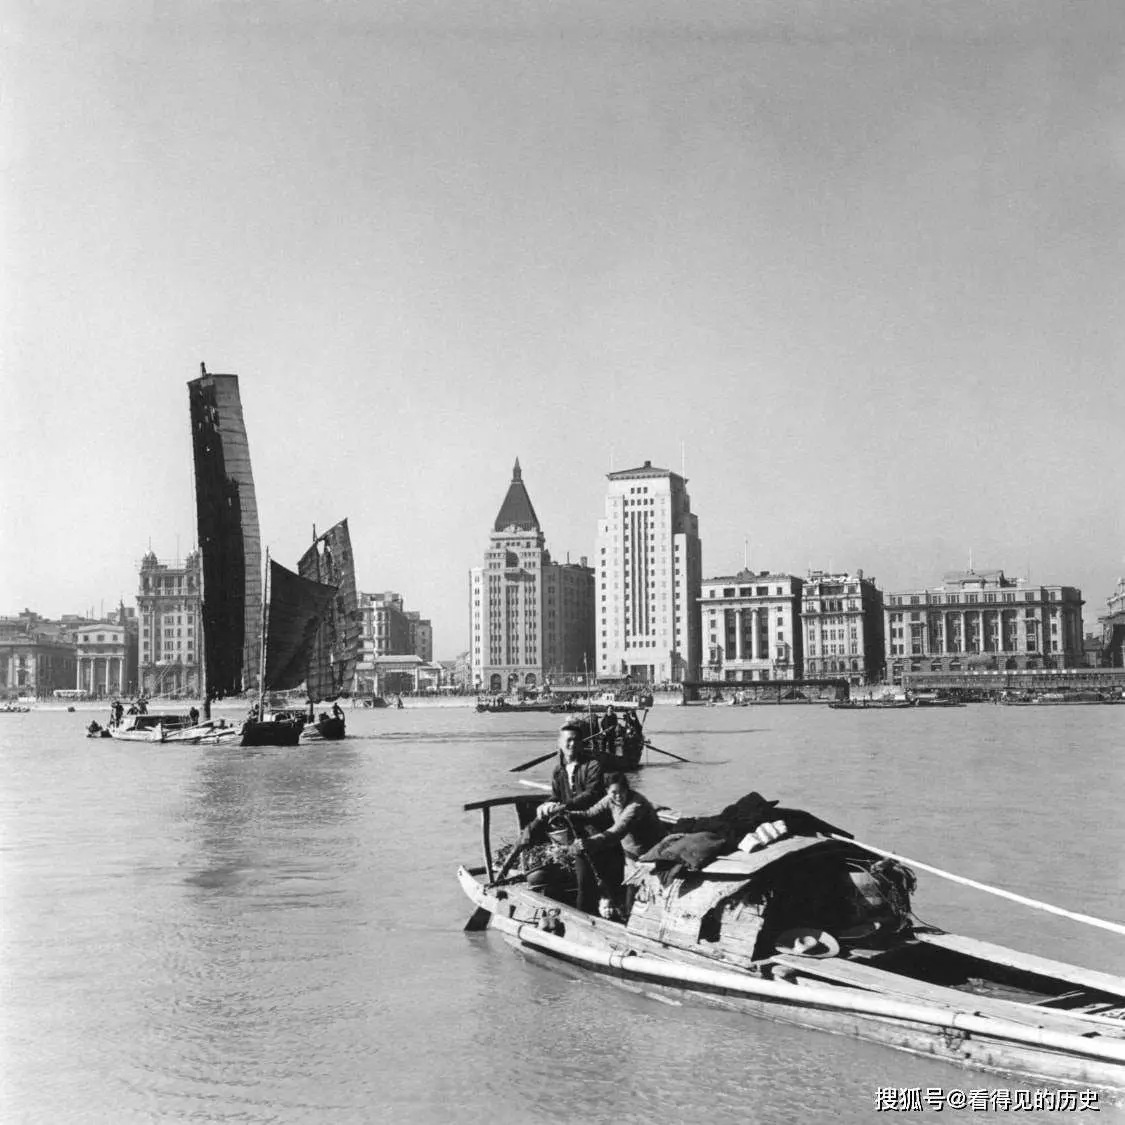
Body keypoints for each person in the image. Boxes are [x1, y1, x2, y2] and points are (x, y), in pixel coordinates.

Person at [523, 721, 606, 914]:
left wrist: (562, 806)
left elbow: (592, 794)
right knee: (532, 834)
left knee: (589, 877)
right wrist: (547, 804)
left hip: (594, 825)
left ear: (582, 743)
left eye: (576, 740)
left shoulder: (593, 765)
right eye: (568, 740)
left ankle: (588, 914)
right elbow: (556, 795)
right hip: (571, 826)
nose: (572, 744)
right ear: (560, 743)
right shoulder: (558, 770)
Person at [567, 772, 669, 917]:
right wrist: (568, 812)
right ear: (607, 791)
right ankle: (625, 912)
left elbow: (617, 831)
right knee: (630, 888)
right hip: (630, 854)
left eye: (622, 792)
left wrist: (591, 841)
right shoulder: (610, 799)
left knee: (642, 893)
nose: (618, 796)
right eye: (614, 792)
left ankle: (630, 916)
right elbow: (590, 813)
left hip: (649, 852)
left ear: (627, 790)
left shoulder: (636, 805)